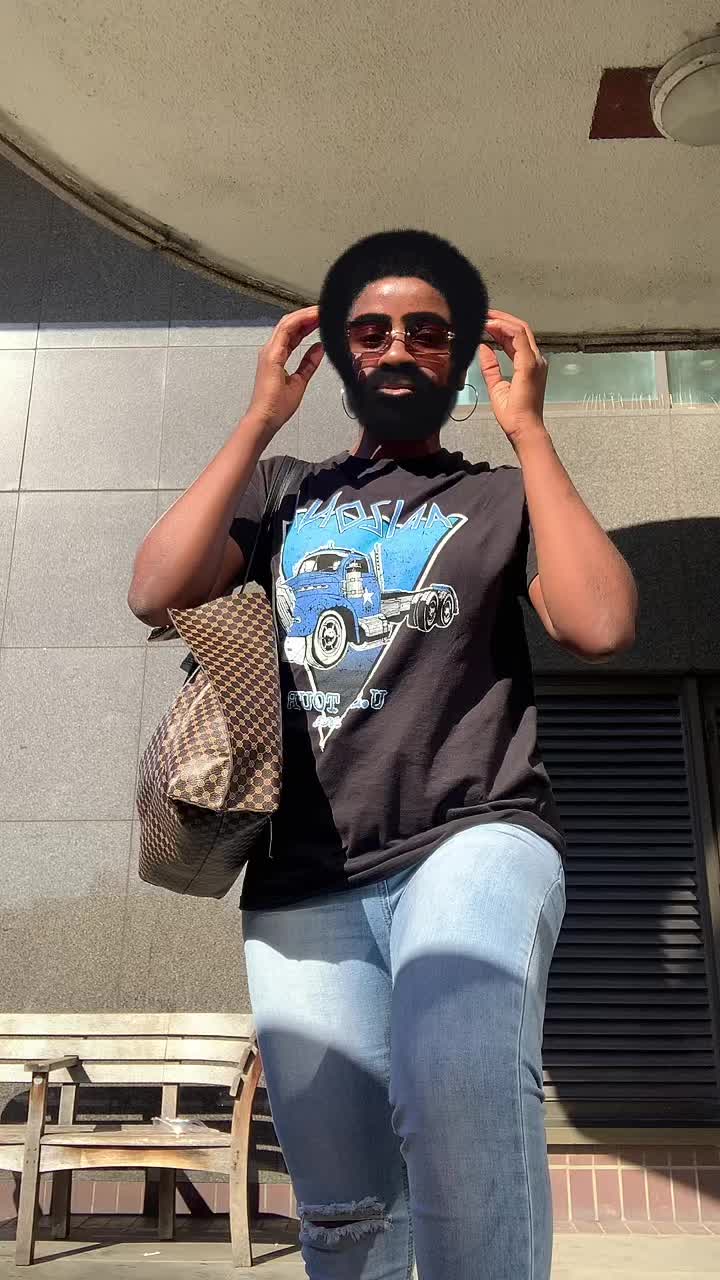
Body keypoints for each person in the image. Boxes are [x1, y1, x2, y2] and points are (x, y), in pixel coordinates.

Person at [129, 230, 637, 1279]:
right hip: (304, 877)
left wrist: (531, 430)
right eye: (369, 332)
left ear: (459, 360)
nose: (397, 347)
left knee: (458, 1082)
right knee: (346, 1208)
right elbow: (156, 589)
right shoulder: (282, 490)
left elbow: (599, 623)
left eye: (426, 332)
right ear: (340, 357)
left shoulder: (498, 496)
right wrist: (259, 417)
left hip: (474, 834)